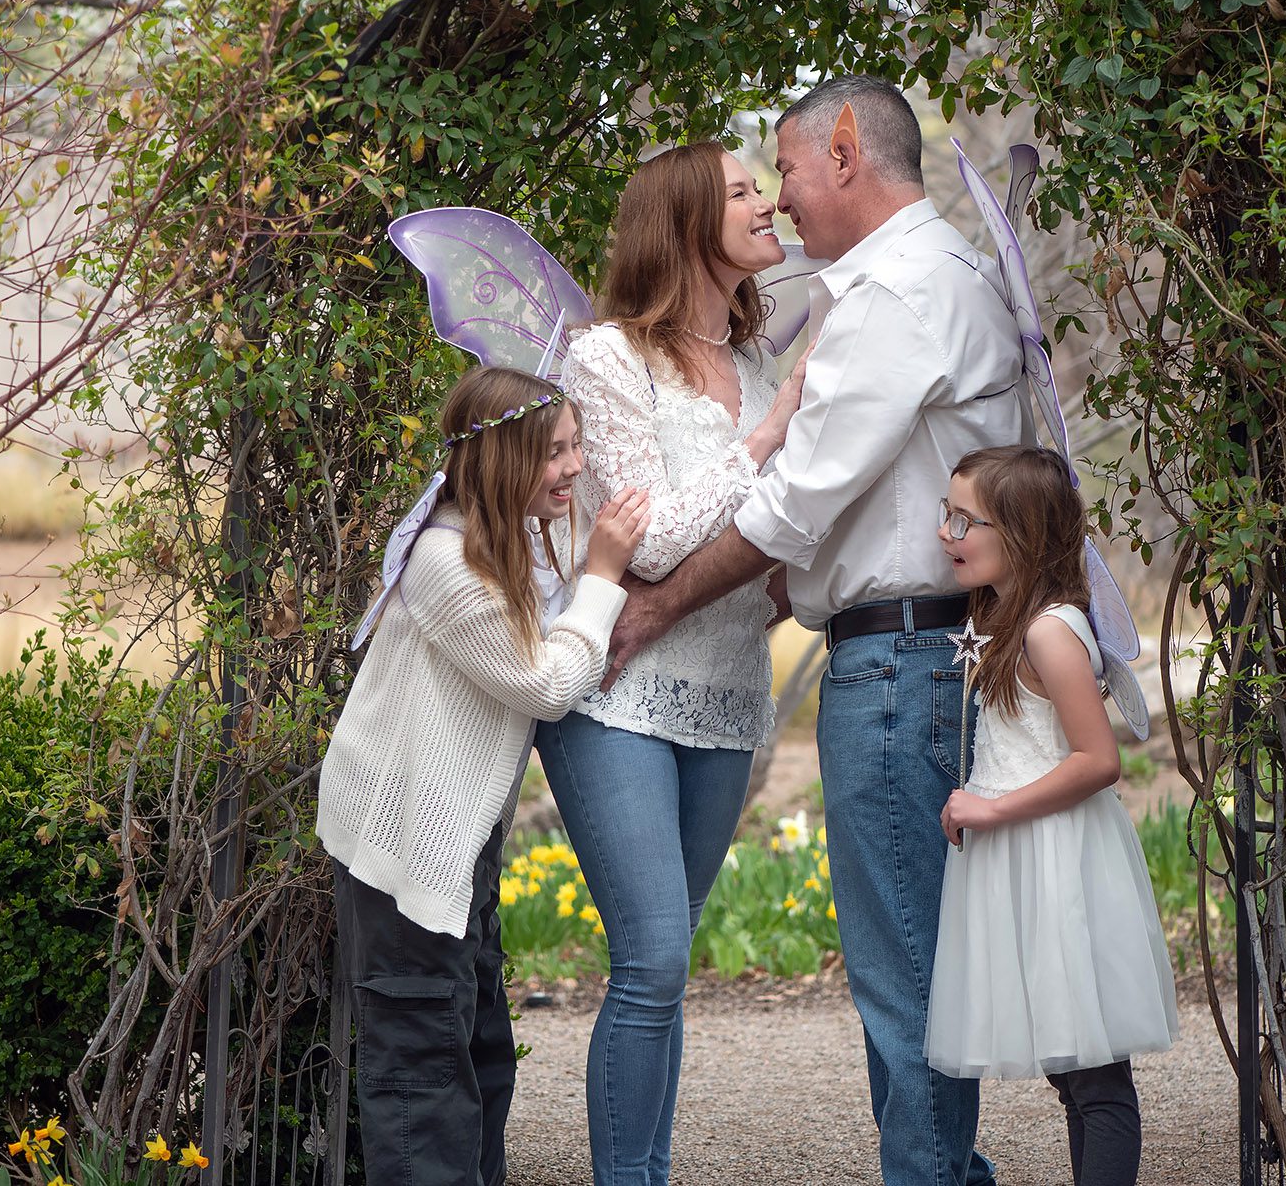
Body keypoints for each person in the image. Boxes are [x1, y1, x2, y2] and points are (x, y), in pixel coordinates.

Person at [605, 75, 1025, 1186]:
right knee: (917, 969)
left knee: (906, 986)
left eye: (782, 170)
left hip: (899, 665)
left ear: (843, 153)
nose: (781, 202)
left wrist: (652, 606)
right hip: (917, 652)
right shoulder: (929, 278)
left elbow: (797, 503)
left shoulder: (893, 295)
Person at [537, 141, 808, 1186]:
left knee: (669, 966)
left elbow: (764, 542)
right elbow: (645, 542)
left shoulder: (752, 367)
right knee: (647, 958)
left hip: (729, 690)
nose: (765, 200)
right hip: (617, 694)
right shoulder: (607, 359)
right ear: (685, 223)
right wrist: (765, 439)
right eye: (741, 191)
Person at [317, 365, 651, 1186]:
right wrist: (604, 578)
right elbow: (544, 679)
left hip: (454, 853)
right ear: (502, 460)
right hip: (404, 855)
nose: (573, 466)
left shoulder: (502, 546)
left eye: (576, 445)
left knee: (480, 1060)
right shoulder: (444, 560)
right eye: (554, 452)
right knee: (422, 1079)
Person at [926, 445, 1178, 1186]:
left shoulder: (1047, 631)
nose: (945, 532)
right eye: (947, 514)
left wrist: (992, 805)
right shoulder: (1010, 618)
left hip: (1060, 859)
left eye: (962, 519)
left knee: (1095, 1077)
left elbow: (1099, 760)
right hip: (1029, 858)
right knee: (1073, 1074)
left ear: (1022, 531)